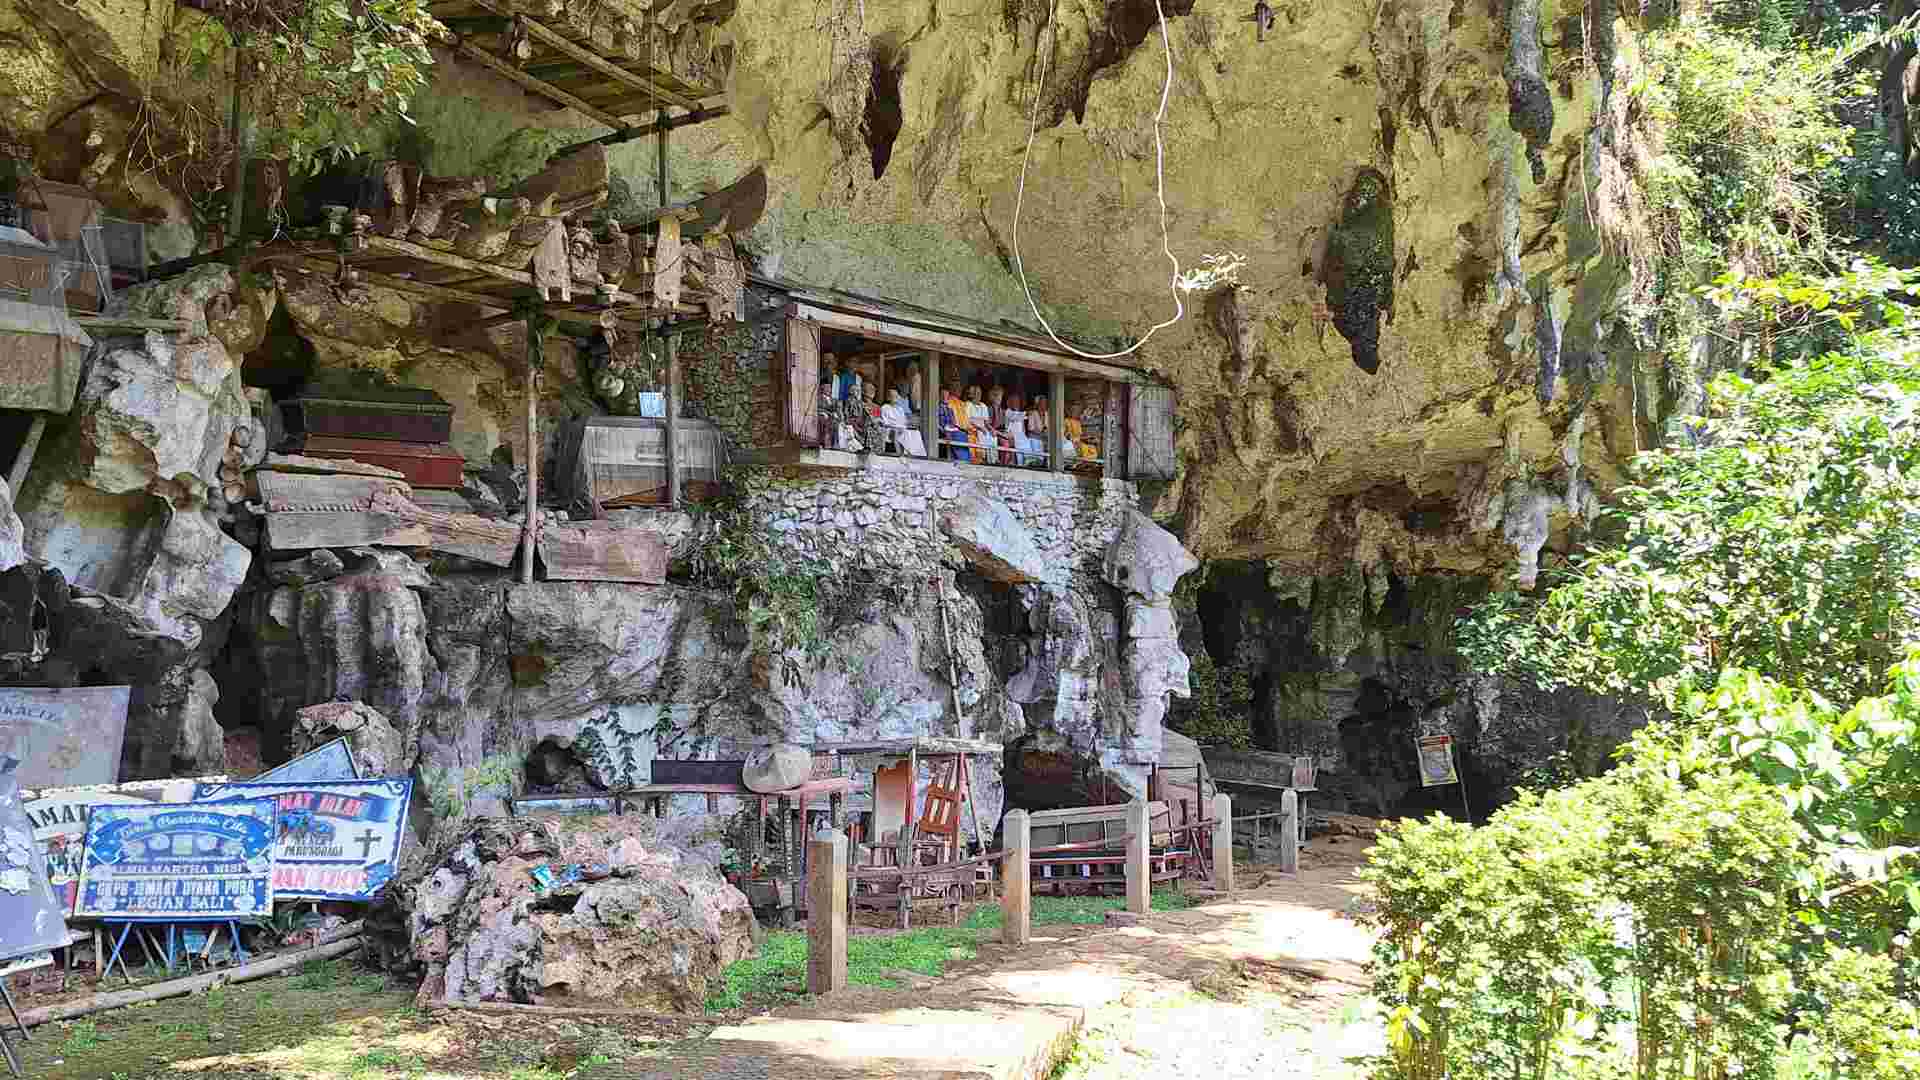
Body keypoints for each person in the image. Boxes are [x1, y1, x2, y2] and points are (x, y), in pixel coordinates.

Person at [965, 384, 996, 464]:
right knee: (981, 434)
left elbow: (986, 422)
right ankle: (981, 458)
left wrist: (992, 429)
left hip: (983, 428)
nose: (978, 395)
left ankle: (992, 460)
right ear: (971, 394)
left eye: (979, 393)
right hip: (973, 427)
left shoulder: (983, 406)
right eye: (975, 393)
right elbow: (968, 420)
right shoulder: (968, 404)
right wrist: (979, 428)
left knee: (993, 436)